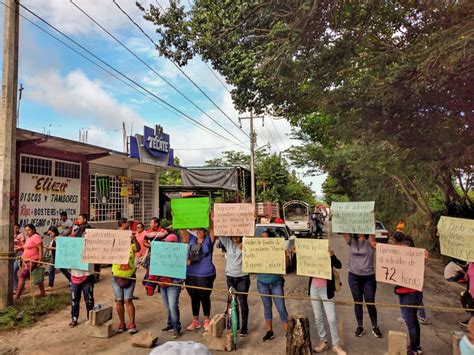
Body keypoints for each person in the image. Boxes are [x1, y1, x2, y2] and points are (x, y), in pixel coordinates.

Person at [144, 225, 183, 339]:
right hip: (162, 284)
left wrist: (180, 282)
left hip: (173, 284)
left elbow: (181, 272)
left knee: (173, 306)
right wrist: (153, 282)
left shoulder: (178, 255)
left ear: (174, 243)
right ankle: (170, 324)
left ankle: (177, 328)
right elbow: (155, 269)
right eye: (166, 242)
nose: (167, 244)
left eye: (169, 242)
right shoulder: (160, 254)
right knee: (167, 306)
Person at [342, 233, 382, 338]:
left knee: (370, 302)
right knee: (357, 301)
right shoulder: (351, 240)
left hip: (368, 277)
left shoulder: (370, 240)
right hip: (353, 276)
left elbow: (371, 229)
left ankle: (375, 326)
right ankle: (360, 326)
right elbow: (343, 227)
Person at [392, 233, 426, 355]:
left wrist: (424, 259)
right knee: (413, 321)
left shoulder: (415, 260)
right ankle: (416, 346)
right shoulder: (404, 258)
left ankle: (413, 350)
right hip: (406, 293)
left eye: (404, 248)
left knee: (410, 322)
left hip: (410, 294)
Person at [179, 222, 216, 332]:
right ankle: (195, 321)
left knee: (204, 297)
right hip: (190, 274)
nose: (199, 232)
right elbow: (182, 230)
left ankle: (206, 320)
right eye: (197, 230)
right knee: (194, 297)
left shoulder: (208, 240)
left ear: (205, 232)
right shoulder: (191, 240)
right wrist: (177, 217)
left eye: (201, 230)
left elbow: (212, 230)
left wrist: (211, 219)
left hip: (205, 274)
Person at [309, 247, 346, 354]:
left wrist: (332, 256)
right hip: (314, 288)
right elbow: (302, 265)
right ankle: (323, 341)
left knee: (332, 318)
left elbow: (339, 265)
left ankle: (336, 345)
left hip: (326, 290)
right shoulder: (312, 256)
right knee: (318, 317)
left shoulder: (329, 255)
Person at [257, 230, 289, 342]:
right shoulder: (257, 250)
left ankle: (288, 332)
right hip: (262, 282)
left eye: (265, 237)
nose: (262, 239)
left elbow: (286, 266)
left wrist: (285, 255)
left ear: (271, 239)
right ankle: (269, 331)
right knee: (267, 307)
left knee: (281, 307)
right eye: (261, 237)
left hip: (276, 282)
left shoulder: (277, 249)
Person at [217, 234, 250, 337]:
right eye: (233, 235)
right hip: (230, 278)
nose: (235, 236)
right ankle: (235, 325)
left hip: (243, 277)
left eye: (238, 235)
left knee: (243, 302)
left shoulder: (247, 243)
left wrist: (247, 246)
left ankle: (244, 327)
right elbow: (219, 233)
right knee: (232, 302)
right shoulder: (228, 243)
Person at [112, 218, 141, 334]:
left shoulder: (132, 245)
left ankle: (132, 323)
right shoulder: (113, 243)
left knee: (128, 300)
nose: (127, 230)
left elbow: (138, 249)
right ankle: (121, 322)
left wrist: (135, 240)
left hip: (130, 276)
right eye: (125, 227)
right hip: (116, 276)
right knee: (119, 301)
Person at [69, 213, 95, 327]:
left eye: (80, 218)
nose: (78, 220)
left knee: (88, 298)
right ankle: (74, 318)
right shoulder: (74, 233)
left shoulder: (90, 235)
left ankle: (91, 317)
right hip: (75, 273)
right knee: (74, 299)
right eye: (77, 218)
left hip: (87, 274)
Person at [14, 224, 45, 300]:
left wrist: (40, 260)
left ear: (33, 230)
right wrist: (18, 249)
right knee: (37, 276)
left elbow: (40, 248)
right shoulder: (28, 237)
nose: (27, 232)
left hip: (33, 261)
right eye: (26, 230)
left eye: (29, 230)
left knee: (22, 276)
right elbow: (26, 247)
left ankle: (17, 296)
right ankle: (43, 293)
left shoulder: (36, 237)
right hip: (26, 261)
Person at [45, 226, 71, 291]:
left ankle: (72, 281)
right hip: (54, 257)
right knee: (51, 270)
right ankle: (51, 286)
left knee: (63, 270)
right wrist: (48, 247)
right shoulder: (53, 238)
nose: (49, 234)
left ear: (54, 232)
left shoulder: (59, 238)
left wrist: (51, 248)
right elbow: (52, 247)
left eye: (50, 233)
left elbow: (61, 248)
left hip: (59, 256)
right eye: (49, 233)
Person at [460, 262, 474, 327]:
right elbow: (465, 269)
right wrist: (466, 274)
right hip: (470, 290)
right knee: (463, 298)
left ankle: (471, 321)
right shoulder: (470, 264)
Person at [12, 223, 25, 293]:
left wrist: (16, 249)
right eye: (14, 228)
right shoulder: (10, 235)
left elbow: (24, 246)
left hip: (20, 254)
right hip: (12, 255)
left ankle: (16, 288)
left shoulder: (21, 235)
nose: (15, 229)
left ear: (19, 228)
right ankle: (17, 286)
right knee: (12, 271)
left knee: (14, 270)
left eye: (17, 228)